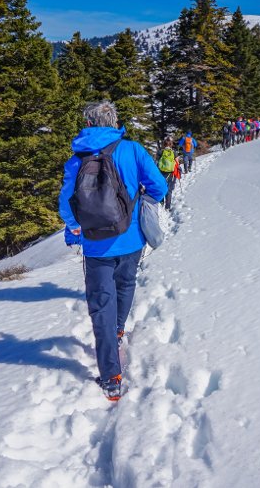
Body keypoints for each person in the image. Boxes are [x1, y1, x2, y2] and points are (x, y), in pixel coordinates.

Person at [59, 101, 167, 401]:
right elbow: (159, 186)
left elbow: (65, 206)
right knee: (126, 283)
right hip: (131, 240)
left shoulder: (76, 157)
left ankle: (111, 377)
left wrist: (77, 227)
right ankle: (119, 329)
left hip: (95, 246)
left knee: (100, 304)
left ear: (88, 123)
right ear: (113, 120)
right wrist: (142, 201)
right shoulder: (131, 149)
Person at [157, 136, 177, 210]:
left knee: (161, 186)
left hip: (161, 172)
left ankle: (161, 203)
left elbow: (157, 161)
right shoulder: (174, 152)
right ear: (171, 144)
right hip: (170, 173)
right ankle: (167, 207)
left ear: (163, 144)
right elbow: (177, 163)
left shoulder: (160, 151)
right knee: (169, 190)